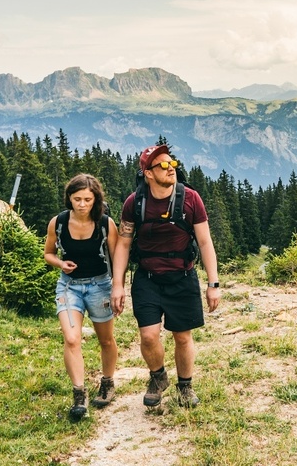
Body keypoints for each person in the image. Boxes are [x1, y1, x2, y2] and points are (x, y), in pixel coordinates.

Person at [111, 144, 221, 408]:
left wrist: (213, 283)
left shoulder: (191, 198)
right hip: (147, 278)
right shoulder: (134, 203)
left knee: (182, 336)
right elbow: (123, 244)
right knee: (149, 336)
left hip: (182, 276)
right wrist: (118, 285)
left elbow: (205, 242)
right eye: (163, 165)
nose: (171, 169)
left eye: (172, 163)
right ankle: (158, 377)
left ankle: (185, 386)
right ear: (148, 173)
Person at [44, 173, 120, 420]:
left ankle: (107, 382)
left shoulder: (105, 224)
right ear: (69, 198)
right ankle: (79, 394)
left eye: (88, 199)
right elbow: (48, 253)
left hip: (100, 286)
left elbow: (117, 257)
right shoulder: (58, 223)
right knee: (71, 338)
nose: (82, 204)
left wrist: (118, 287)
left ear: (96, 199)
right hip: (69, 287)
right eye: (77, 199)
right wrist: (60, 263)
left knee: (106, 340)